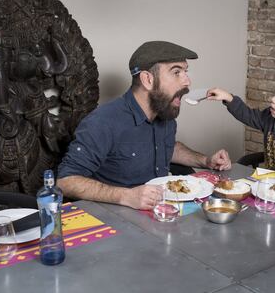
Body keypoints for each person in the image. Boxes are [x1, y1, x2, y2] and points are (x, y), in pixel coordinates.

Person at [57, 41, 231, 210]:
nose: (187, 82)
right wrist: (126, 196)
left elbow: (168, 148)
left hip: (160, 213)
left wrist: (206, 161)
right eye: (176, 72)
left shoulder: (164, 112)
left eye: (185, 72)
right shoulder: (102, 122)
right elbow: (66, 181)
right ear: (147, 79)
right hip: (116, 221)